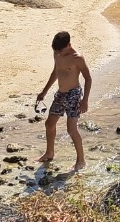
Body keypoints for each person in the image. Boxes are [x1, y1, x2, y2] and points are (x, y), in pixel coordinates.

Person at [35, 31, 91, 172]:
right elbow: (56, 72)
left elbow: (88, 78)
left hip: (74, 95)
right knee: (49, 124)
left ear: (68, 45)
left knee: (71, 129)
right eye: (56, 50)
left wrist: (85, 100)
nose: (58, 53)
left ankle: (81, 161)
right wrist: (44, 91)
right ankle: (49, 153)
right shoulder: (57, 53)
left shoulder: (77, 58)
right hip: (61, 94)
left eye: (60, 50)